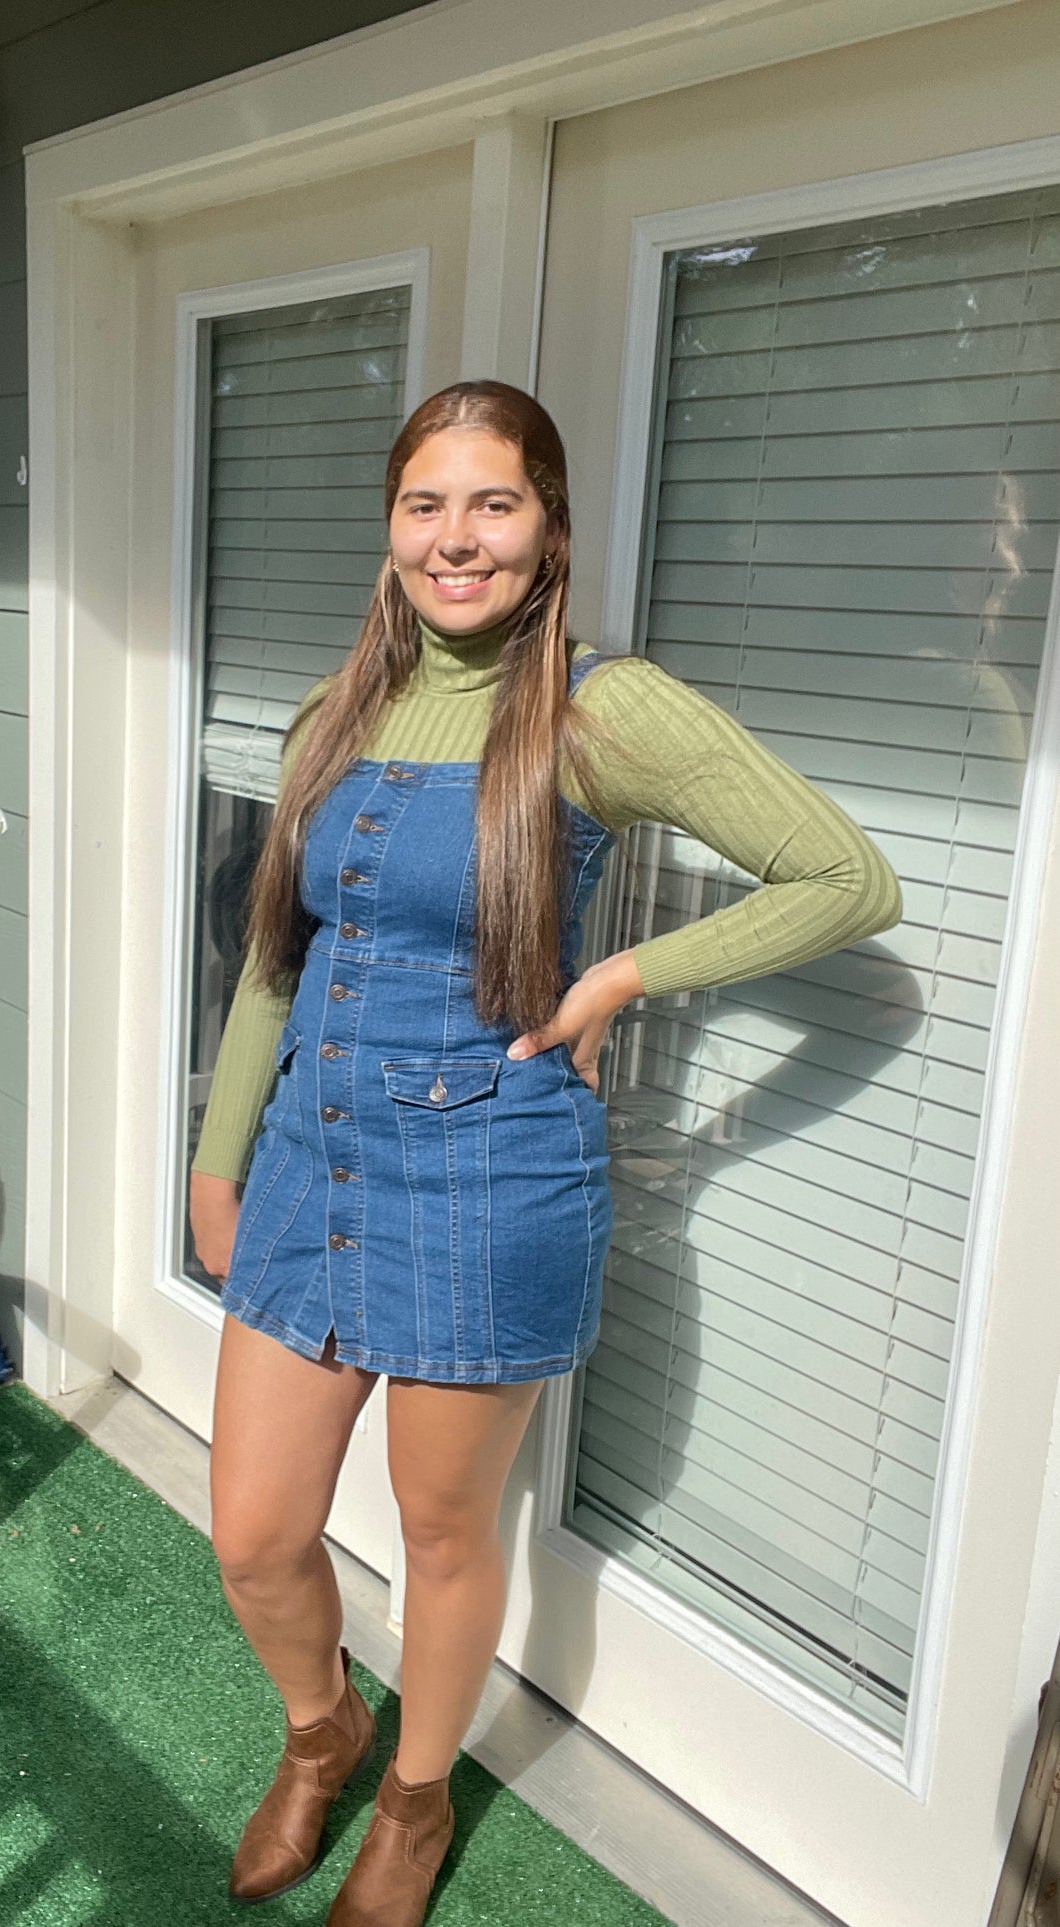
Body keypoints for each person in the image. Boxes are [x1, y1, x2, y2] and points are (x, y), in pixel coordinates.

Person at [188, 379, 903, 1925]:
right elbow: (275, 955)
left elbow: (841, 877)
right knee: (253, 1529)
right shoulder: (335, 712)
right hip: (309, 1165)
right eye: (425, 506)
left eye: (492, 505)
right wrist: (215, 1153)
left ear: (548, 526)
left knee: (443, 1535)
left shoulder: (601, 708)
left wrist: (619, 978)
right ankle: (323, 1737)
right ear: (389, 533)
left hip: (487, 1177)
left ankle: (415, 1799)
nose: (457, 541)